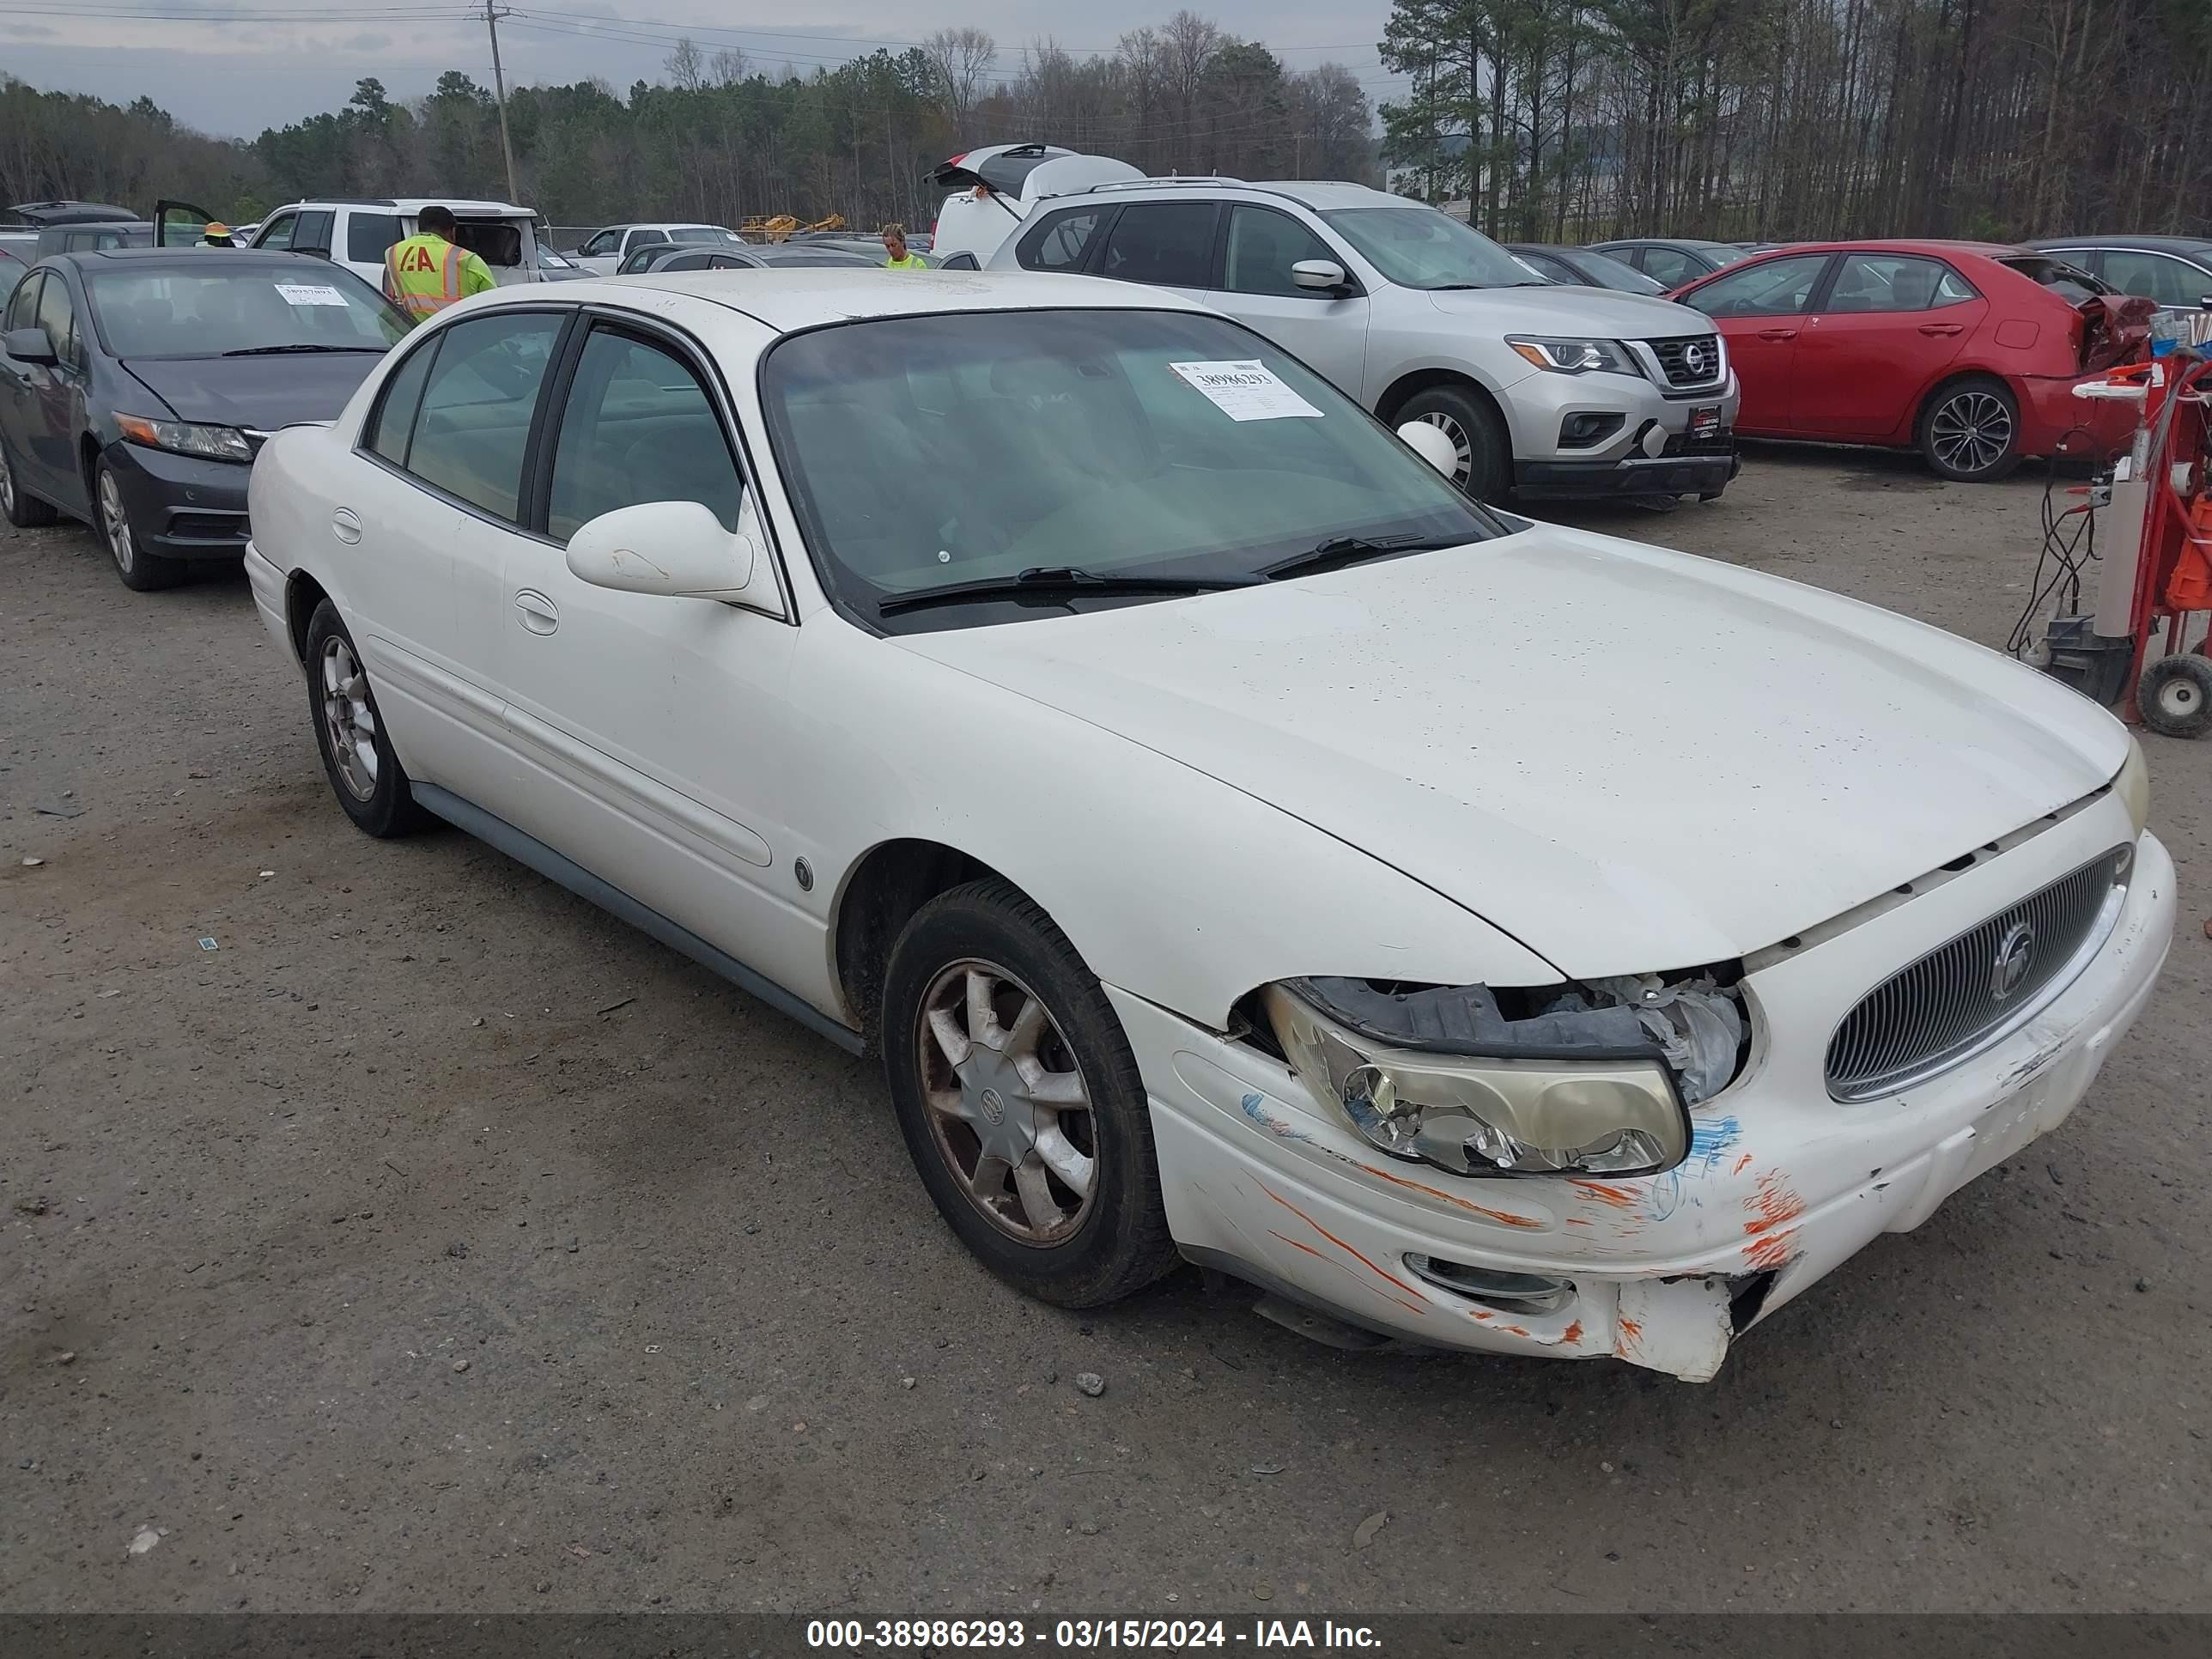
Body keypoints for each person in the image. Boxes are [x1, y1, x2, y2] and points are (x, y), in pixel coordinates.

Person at [383, 204, 495, 324]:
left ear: (419, 228)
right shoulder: (466, 258)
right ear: (452, 232)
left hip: (413, 334)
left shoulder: (393, 253)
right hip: (457, 331)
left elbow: (391, 298)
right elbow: (495, 302)